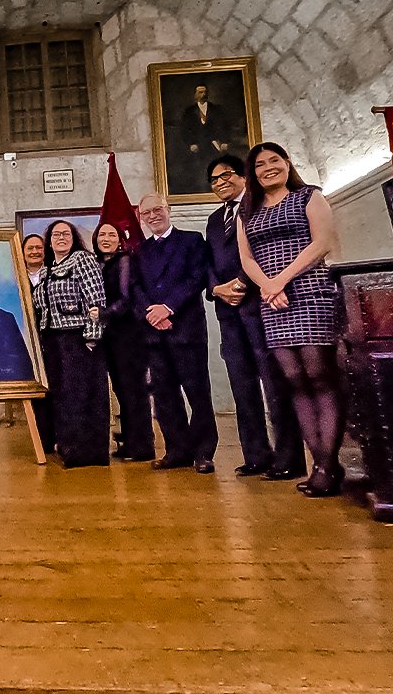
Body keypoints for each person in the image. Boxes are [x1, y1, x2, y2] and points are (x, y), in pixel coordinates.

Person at [239, 141, 344, 497]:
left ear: (287, 163)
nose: (267, 167)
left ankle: (328, 465)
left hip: (309, 291)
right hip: (273, 299)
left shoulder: (309, 196)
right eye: (259, 164)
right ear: (252, 174)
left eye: (274, 160)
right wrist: (268, 286)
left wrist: (282, 279)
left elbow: (323, 242)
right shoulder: (247, 211)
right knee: (295, 381)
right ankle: (321, 461)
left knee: (319, 377)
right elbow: (248, 259)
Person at [204, 156, 305, 480]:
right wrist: (215, 288)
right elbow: (209, 263)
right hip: (228, 314)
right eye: (214, 179)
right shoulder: (213, 219)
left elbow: (260, 255)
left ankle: (289, 458)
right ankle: (256, 455)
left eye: (227, 175)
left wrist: (243, 284)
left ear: (244, 176)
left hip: (260, 307)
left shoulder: (260, 208)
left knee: (275, 384)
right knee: (242, 386)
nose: (221, 182)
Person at [132, 193, 219, 474]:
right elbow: (134, 288)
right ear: (140, 217)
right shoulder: (139, 251)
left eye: (158, 209)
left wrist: (168, 308)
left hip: (186, 329)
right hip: (154, 334)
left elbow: (197, 277)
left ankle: (204, 452)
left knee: (197, 393)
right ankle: (177, 450)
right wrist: (151, 312)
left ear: (168, 210)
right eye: (147, 213)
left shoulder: (192, 240)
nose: (153, 216)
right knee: (165, 395)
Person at [31, 220, 109, 468]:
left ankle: (87, 452)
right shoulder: (47, 269)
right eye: (56, 234)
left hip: (78, 338)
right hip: (53, 340)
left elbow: (96, 299)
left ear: (74, 237)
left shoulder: (83, 260)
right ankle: (67, 445)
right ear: (49, 240)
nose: (61, 238)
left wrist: (93, 336)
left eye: (66, 233)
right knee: (61, 396)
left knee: (82, 394)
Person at [93, 223, 154, 462]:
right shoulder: (99, 264)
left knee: (133, 389)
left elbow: (126, 297)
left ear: (120, 240)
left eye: (112, 234)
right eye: (102, 234)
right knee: (121, 390)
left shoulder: (125, 260)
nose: (106, 238)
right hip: (109, 336)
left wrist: (104, 314)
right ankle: (129, 441)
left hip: (128, 334)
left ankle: (142, 446)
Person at [21, 233, 52, 452]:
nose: (34, 252)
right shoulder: (16, 276)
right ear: (22, 253)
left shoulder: (53, 273)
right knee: (36, 390)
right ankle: (43, 440)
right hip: (27, 340)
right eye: (30, 248)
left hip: (52, 337)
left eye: (38, 248)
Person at [180, 83, 230, 168]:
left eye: (205, 92)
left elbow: (223, 126)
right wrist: (191, 144)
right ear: (195, 94)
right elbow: (184, 130)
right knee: (198, 169)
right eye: (200, 92)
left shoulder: (216, 109)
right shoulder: (189, 111)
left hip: (214, 145)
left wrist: (224, 142)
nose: (203, 94)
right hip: (197, 147)